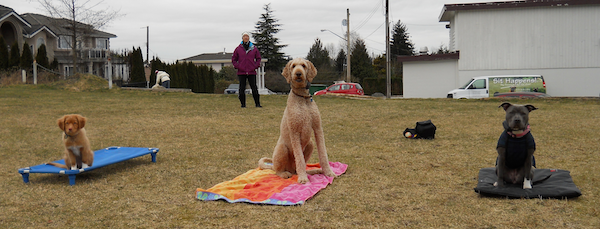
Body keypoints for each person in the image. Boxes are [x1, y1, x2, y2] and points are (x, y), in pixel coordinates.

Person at [231, 31, 262, 108]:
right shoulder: (238, 49)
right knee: (241, 89)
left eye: (247, 36)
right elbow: (234, 59)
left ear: (249, 38)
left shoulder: (254, 48)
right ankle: (243, 104)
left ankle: (257, 104)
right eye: (244, 36)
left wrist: (255, 66)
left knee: (254, 88)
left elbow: (258, 58)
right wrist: (237, 66)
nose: (246, 37)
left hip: (252, 72)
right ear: (242, 38)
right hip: (241, 72)